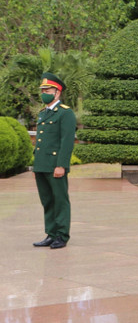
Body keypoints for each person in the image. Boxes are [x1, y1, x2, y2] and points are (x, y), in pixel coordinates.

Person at [32, 72, 77, 250]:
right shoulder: (43, 113)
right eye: (42, 89)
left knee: (60, 200)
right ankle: (51, 234)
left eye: (47, 89)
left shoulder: (65, 113)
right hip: (41, 165)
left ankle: (62, 235)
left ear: (57, 92)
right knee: (47, 200)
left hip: (55, 165)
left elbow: (67, 142)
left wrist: (61, 165)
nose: (44, 92)